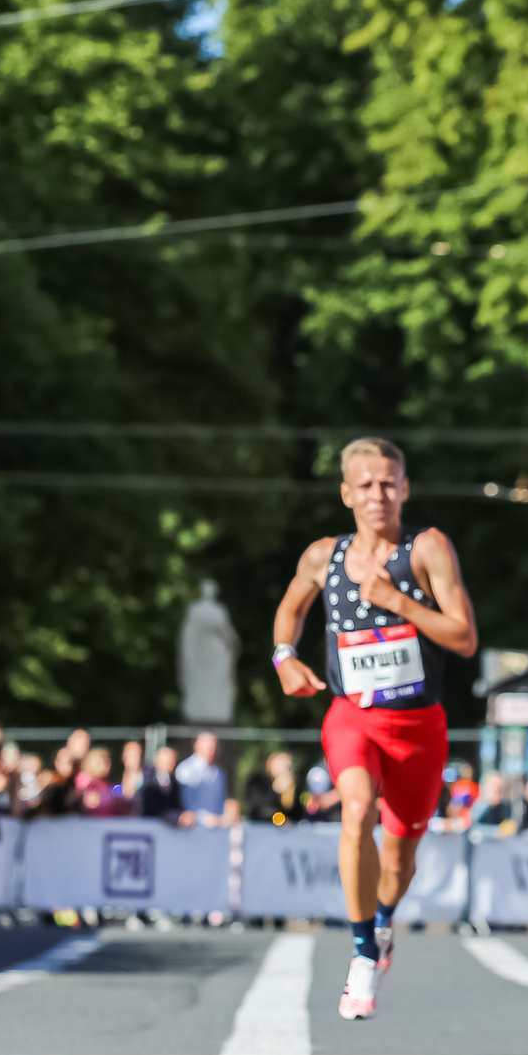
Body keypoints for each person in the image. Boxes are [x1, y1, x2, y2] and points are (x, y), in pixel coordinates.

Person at [271, 437, 480, 1019]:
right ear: (346, 494)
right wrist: (284, 657)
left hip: (419, 725)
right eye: (365, 485)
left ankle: (383, 919)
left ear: (405, 488)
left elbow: (463, 637)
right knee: (356, 810)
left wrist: (397, 601)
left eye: (388, 483)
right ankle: (363, 951)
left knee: (399, 858)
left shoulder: (426, 548)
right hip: (352, 717)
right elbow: (290, 608)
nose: (377, 495)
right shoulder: (324, 556)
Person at [178, 732, 234, 828]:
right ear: (197, 746)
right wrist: (202, 817)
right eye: (208, 747)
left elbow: (219, 802)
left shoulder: (219, 773)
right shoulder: (186, 770)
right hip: (192, 828)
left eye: (213, 747)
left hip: (215, 827)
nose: (211, 751)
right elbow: (185, 803)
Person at [243, 750, 306, 826]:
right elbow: (258, 809)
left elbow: (295, 815)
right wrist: (275, 790)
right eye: (281, 763)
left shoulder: (294, 788)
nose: (284, 768)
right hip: (260, 828)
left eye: (287, 765)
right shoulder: (258, 781)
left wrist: (288, 793)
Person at [141, 745, 191, 825]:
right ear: (158, 759)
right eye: (167, 760)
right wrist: (173, 818)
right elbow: (150, 806)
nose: (170, 763)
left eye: (172, 760)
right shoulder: (148, 778)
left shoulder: (175, 783)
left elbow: (176, 805)